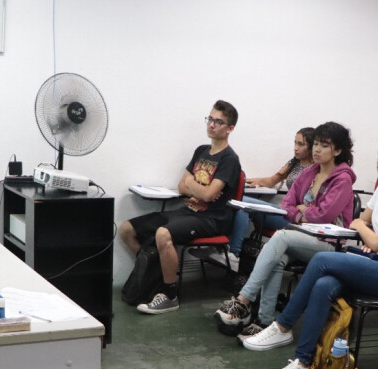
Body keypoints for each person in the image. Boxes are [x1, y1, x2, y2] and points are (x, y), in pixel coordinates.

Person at [240, 135, 378, 369]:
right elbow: (364, 222)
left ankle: (283, 326)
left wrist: (367, 233)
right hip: (373, 259)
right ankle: (302, 362)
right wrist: (367, 233)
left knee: (322, 259)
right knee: (323, 286)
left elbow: (369, 234)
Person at [215, 123, 356, 337]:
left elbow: (324, 216)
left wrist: (302, 212)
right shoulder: (308, 173)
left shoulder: (343, 179)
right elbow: (286, 206)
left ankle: (243, 300)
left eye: (324, 145)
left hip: (328, 243)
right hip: (301, 237)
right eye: (316, 143)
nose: (316, 149)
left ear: (337, 151)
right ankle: (264, 322)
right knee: (277, 258)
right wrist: (303, 212)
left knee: (280, 237)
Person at [118, 100, 243, 314]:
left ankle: (169, 294)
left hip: (211, 219)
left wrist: (194, 185)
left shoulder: (230, 159)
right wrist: (199, 189)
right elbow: (181, 186)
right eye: (210, 119)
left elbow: (208, 194)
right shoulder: (201, 151)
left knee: (163, 234)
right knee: (126, 229)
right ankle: (153, 275)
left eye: (218, 122)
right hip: (187, 211)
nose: (211, 125)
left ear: (230, 128)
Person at [220, 127, 315, 268]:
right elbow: (271, 181)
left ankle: (233, 253)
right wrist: (244, 181)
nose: (296, 148)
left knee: (242, 202)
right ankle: (231, 253)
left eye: (301, 144)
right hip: (283, 211)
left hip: (295, 218)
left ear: (312, 146)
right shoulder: (294, 163)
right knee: (241, 205)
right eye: (295, 143)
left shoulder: (316, 169)